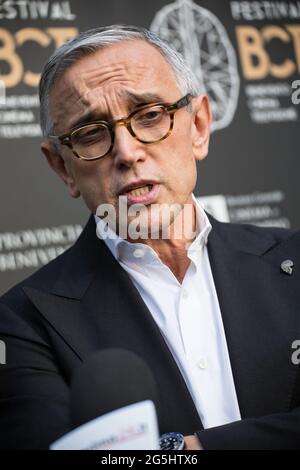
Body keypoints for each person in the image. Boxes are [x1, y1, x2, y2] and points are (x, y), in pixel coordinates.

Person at [0, 24, 299, 450]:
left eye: (149, 115)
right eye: (90, 133)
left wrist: (182, 449)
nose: (126, 151)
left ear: (198, 125)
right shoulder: (20, 325)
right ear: (62, 168)